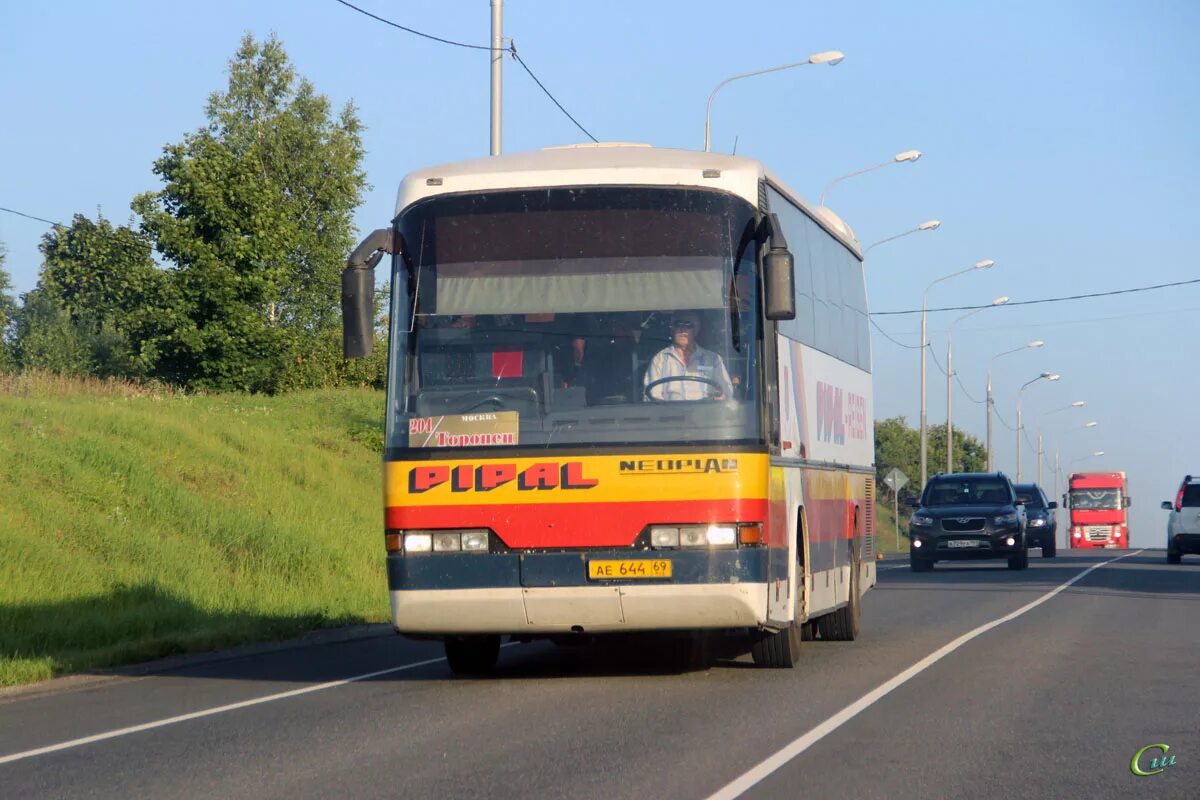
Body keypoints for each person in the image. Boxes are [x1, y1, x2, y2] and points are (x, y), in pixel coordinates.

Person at [643, 311, 734, 401]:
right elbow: (651, 398)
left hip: (705, 413)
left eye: (688, 325)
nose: (682, 330)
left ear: (696, 330)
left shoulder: (714, 359)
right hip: (671, 413)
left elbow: (727, 392)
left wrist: (720, 398)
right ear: (672, 329)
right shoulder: (659, 360)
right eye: (678, 324)